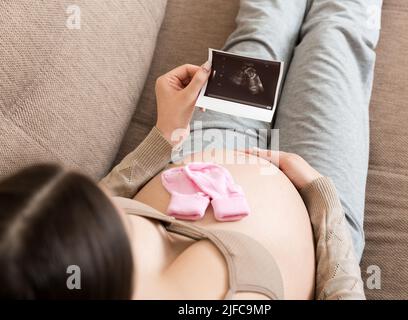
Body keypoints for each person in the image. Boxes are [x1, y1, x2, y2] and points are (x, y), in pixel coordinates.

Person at [0, 0, 382, 299]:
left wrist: (165, 135)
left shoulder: (44, 245)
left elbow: (103, 196)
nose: (105, 203)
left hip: (205, 146)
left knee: (260, 30)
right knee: (337, 36)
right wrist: (322, 197)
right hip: (315, 211)